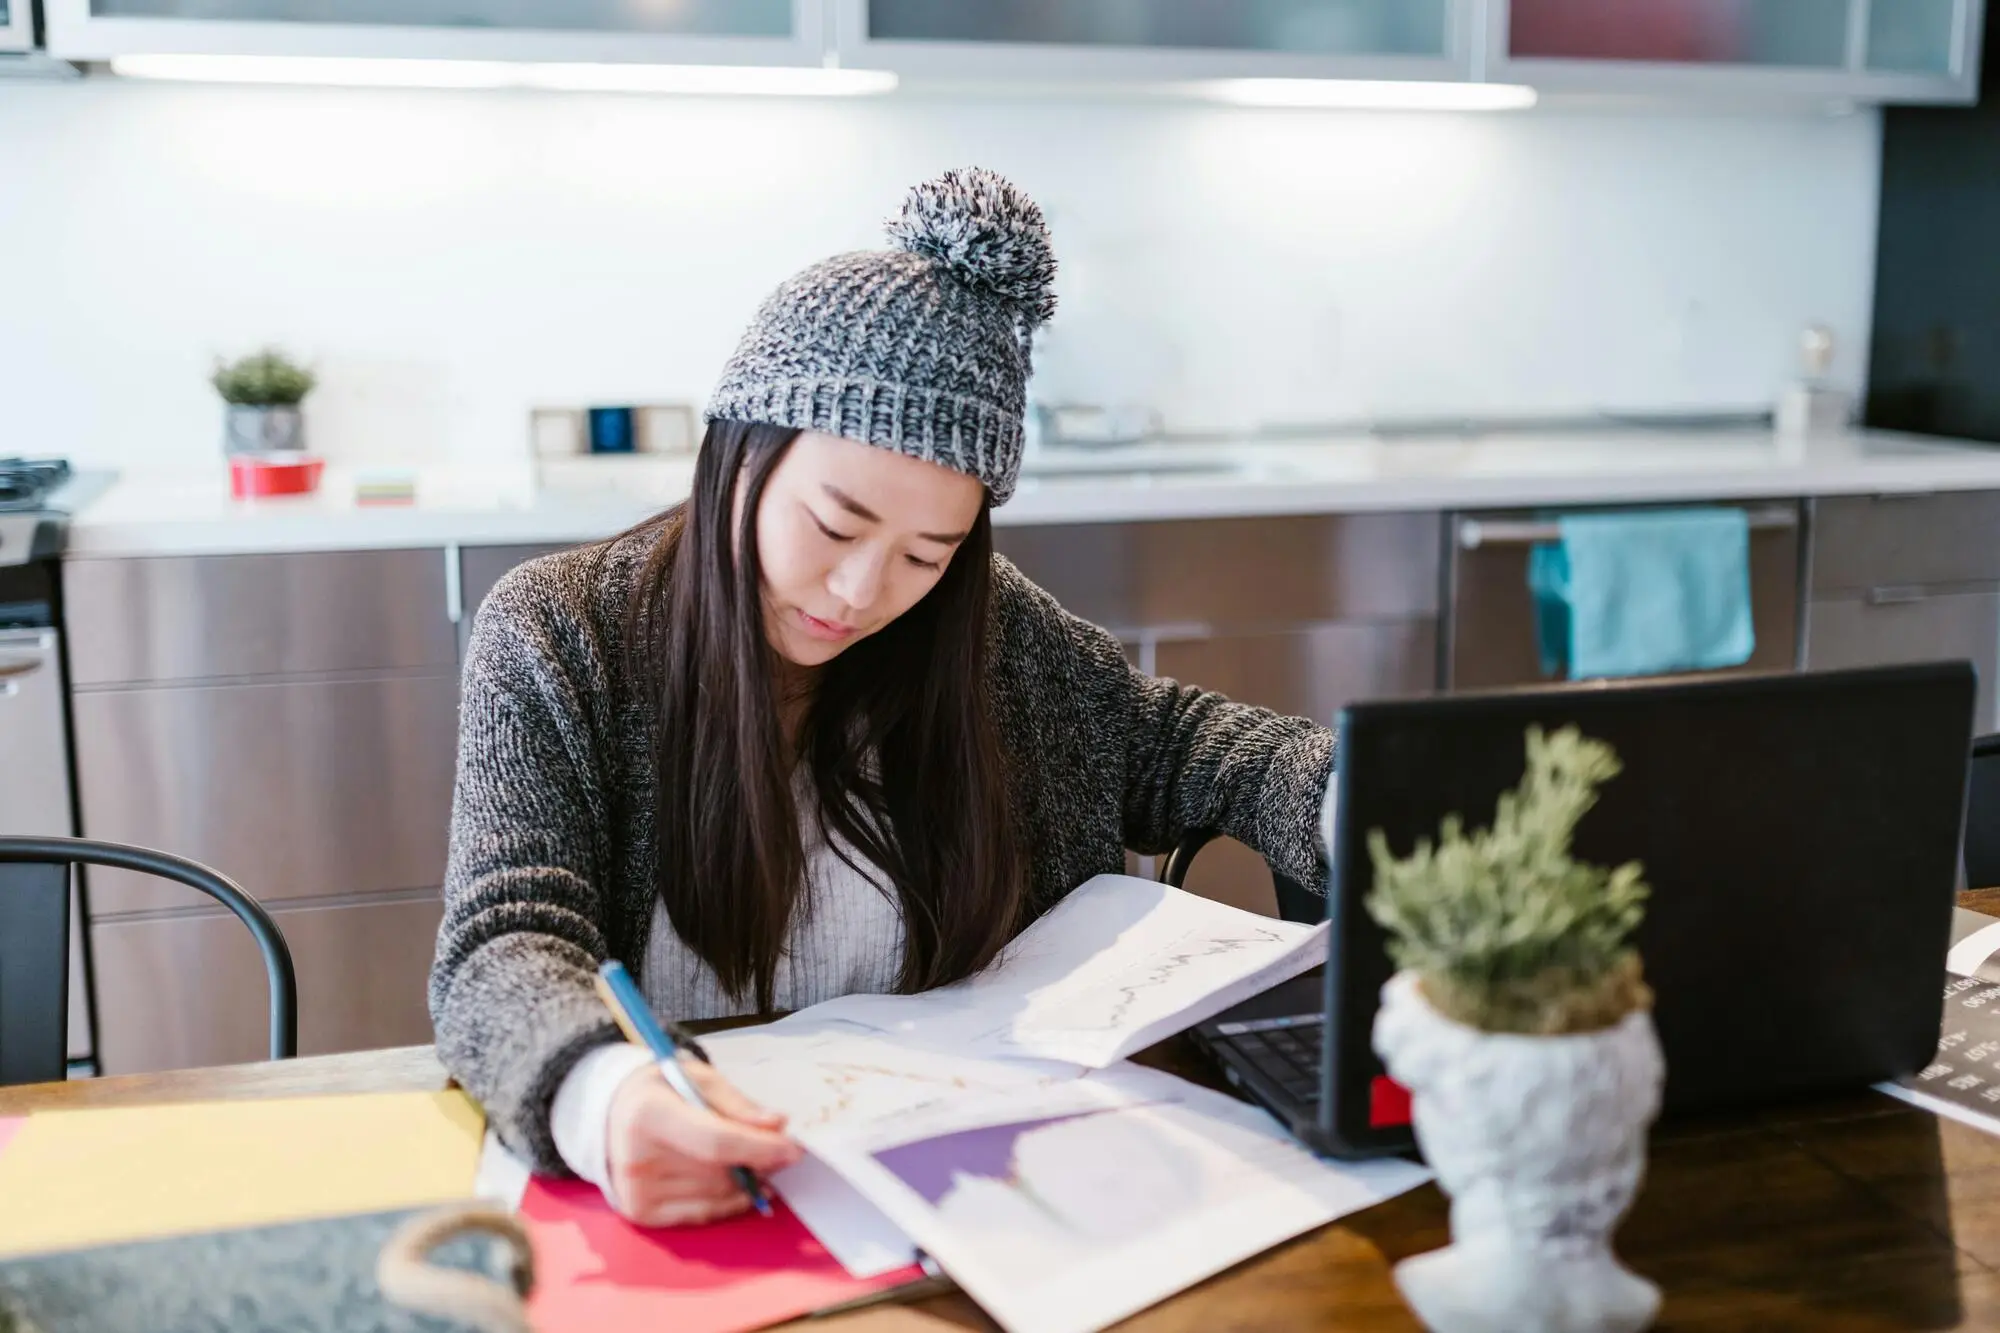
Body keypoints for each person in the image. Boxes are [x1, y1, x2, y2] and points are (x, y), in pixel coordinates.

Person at [429, 167, 1336, 1227]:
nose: (863, 593)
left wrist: (1353, 796)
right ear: (741, 458)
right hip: (698, 1193)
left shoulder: (981, 631)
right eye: (834, 524)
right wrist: (602, 1094)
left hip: (973, 1190)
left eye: (926, 553)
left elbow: (1181, 744)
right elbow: (500, 948)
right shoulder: (559, 632)